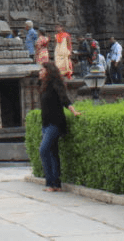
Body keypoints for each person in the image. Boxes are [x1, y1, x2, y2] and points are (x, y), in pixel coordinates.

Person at [38, 61, 83, 192]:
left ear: (48, 71)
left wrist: (73, 111)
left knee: (43, 150)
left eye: (42, 70)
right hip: (46, 123)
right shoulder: (44, 86)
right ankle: (56, 184)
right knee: (52, 152)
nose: (40, 72)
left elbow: (64, 99)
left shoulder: (55, 84)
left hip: (55, 123)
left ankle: (50, 183)